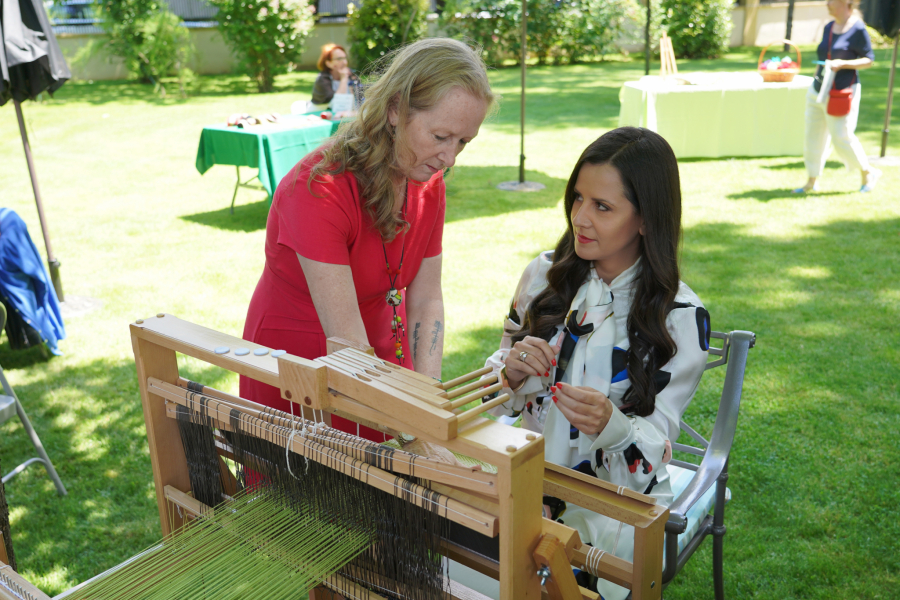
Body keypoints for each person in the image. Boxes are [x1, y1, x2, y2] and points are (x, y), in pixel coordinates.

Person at [484, 127, 710, 600]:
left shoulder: (681, 319)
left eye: (602, 207)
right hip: (525, 484)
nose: (580, 218)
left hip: (618, 503)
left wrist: (614, 427)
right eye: (578, 198)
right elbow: (492, 400)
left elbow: (653, 452)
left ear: (647, 219)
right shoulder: (542, 275)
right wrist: (510, 371)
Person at [241, 38, 494, 441]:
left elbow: (426, 297)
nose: (450, 158)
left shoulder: (427, 180)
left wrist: (426, 399)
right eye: (441, 136)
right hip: (302, 366)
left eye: (464, 141)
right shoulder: (319, 188)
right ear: (395, 110)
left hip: (380, 357)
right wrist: (416, 432)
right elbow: (347, 346)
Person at [794, 0, 879, 194]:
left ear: (846, 3)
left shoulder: (858, 29)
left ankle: (868, 172)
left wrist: (843, 64)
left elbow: (868, 60)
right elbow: (823, 57)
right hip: (818, 89)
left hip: (842, 92)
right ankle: (811, 180)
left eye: (832, 1)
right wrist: (816, 81)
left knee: (842, 136)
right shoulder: (829, 27)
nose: (828, 4)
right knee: (813, 137)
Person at [311, 43, 360, 109]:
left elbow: (360, 101)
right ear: (328, 63)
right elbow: (338, 104)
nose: (345, 62)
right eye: (339, 59)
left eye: (345, 58)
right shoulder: (322, 80)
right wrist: (343, 79)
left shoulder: (352, 76)